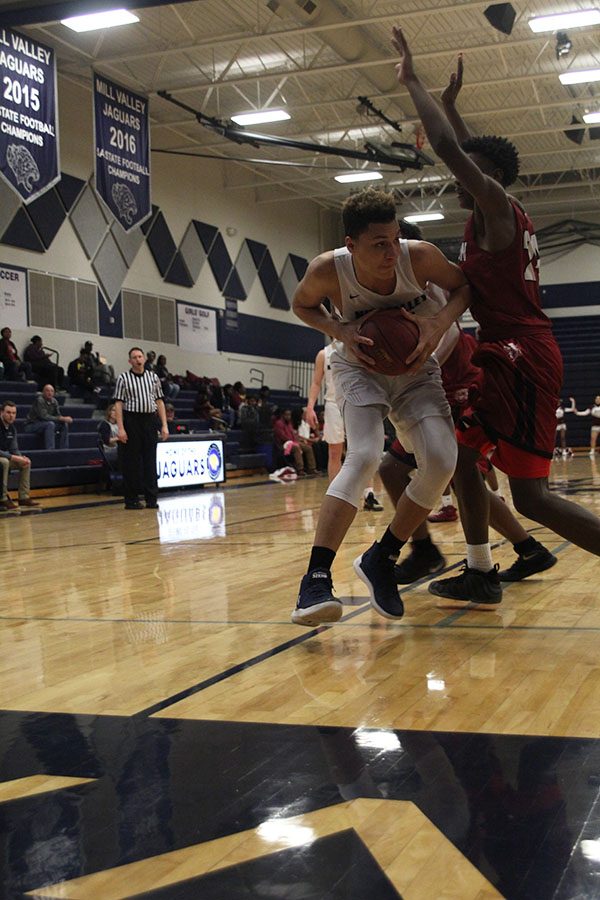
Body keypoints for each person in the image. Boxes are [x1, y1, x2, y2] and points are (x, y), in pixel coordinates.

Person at [392, 30, 600, 606]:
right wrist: (456, 108)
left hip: (524, 356)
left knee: (532, 497)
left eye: (470, 174)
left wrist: (413, 83)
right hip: (503, 353)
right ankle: (481, 570)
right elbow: (470, 151)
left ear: (485, 180)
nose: (461, 181)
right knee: (460, 453)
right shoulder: (490, 211)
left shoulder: (497, 210)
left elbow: (455, 153)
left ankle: (501, 558)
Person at [290, 187, 472, 627]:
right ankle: (314, 581)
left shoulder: (420, 256)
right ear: (350, 246)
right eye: (379, 244)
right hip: (359, 365)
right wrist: (340, 330)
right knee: (366, 454)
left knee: (443, 460)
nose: (392, 252)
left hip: (415, 367)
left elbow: (464, 287)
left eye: (394, 240)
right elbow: (301, 305)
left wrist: (437, 322)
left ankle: (382, 556)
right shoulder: (327, 269)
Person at [304, 342, 384, 509]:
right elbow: (316, 383)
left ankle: (369, 494)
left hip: (355, 400)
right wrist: (310, 406)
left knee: (363, 450)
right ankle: (336, 496)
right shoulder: (323, 354)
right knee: (334, 452)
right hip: (333, 403)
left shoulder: (355, 348)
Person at [114, 347, 168, 510]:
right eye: (134, 357)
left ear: (144, 359)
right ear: (130, 361)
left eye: (140, 356)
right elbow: (118, 404)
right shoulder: (123, 378)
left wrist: (164, 425)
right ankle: (131, 500)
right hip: (132, 420)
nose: (138, 359)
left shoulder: (153, 377)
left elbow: (159, 402)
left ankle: (151, 499)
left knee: (150, 460)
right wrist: (121, 428)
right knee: (132, 462)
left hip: (150, 420)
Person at [0, 400, 40, 510]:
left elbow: (14, 449)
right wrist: (13, 457)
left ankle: (23, 497)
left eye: (13, 413)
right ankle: (3, 498)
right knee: (4, 462)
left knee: (26, 463)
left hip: (5, 458)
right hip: (3, 460)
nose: (11, 416)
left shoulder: (12, 429)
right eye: (8, 412)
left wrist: (21, 458)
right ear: (1, 412)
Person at [24, 384, 73, 449]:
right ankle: (50, 450)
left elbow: (58, 415)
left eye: (52, 391)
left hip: (45, 424)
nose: (50, 393)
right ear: (43, 392)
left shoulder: (54, 401)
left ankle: (64, 449)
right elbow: (44, 416)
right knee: (50, 424)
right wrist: (61, 418)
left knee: (64, 424)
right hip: (32, 425)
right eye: (47, 391)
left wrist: (64, 419)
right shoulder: (39, 400)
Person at [273, 407, 317, 476]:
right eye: (287, 415)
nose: (288, 417)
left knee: (308, 448)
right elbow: (283, 437)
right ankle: (300, 469)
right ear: (282, 415)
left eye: (289, 415)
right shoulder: (278, 423)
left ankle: (311, 468)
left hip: (293, 442)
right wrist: (294, 442)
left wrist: (297, 441)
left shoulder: (290, 423)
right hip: (284, 444)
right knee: (296, 447)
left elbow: (294, 434)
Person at [97, 403, 119, 467]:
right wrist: (119, 438)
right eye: (114, 410)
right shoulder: (105, 424)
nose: (116, 413)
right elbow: (107, 441)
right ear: (109, 412)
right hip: (109, 450)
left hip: (118, 449)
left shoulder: (119, 425)